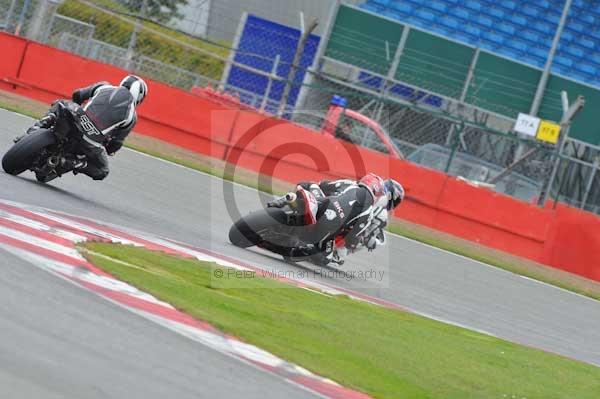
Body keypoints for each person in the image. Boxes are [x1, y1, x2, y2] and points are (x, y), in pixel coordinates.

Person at [26, 75, 148, 180]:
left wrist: (77, 108)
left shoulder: (103, 86)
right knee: (102, 171)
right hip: (92, 139)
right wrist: (107, 149)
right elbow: (116, 143)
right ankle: (71, 162)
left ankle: (38, 126)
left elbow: (78, 94)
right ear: (140, 97)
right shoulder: (132, 116)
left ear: (123, 82)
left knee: (61, 104)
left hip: (77, 117)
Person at [269, 174, 405, 266]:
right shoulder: (379, 213)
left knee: (308, 186)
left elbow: (323, 185)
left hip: (321, 202)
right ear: (394, 200)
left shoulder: (352, 184)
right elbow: (355, 236)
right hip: (334, 223)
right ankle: (305, 247)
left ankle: (289, 202)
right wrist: (365, 242)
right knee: (325, 259)